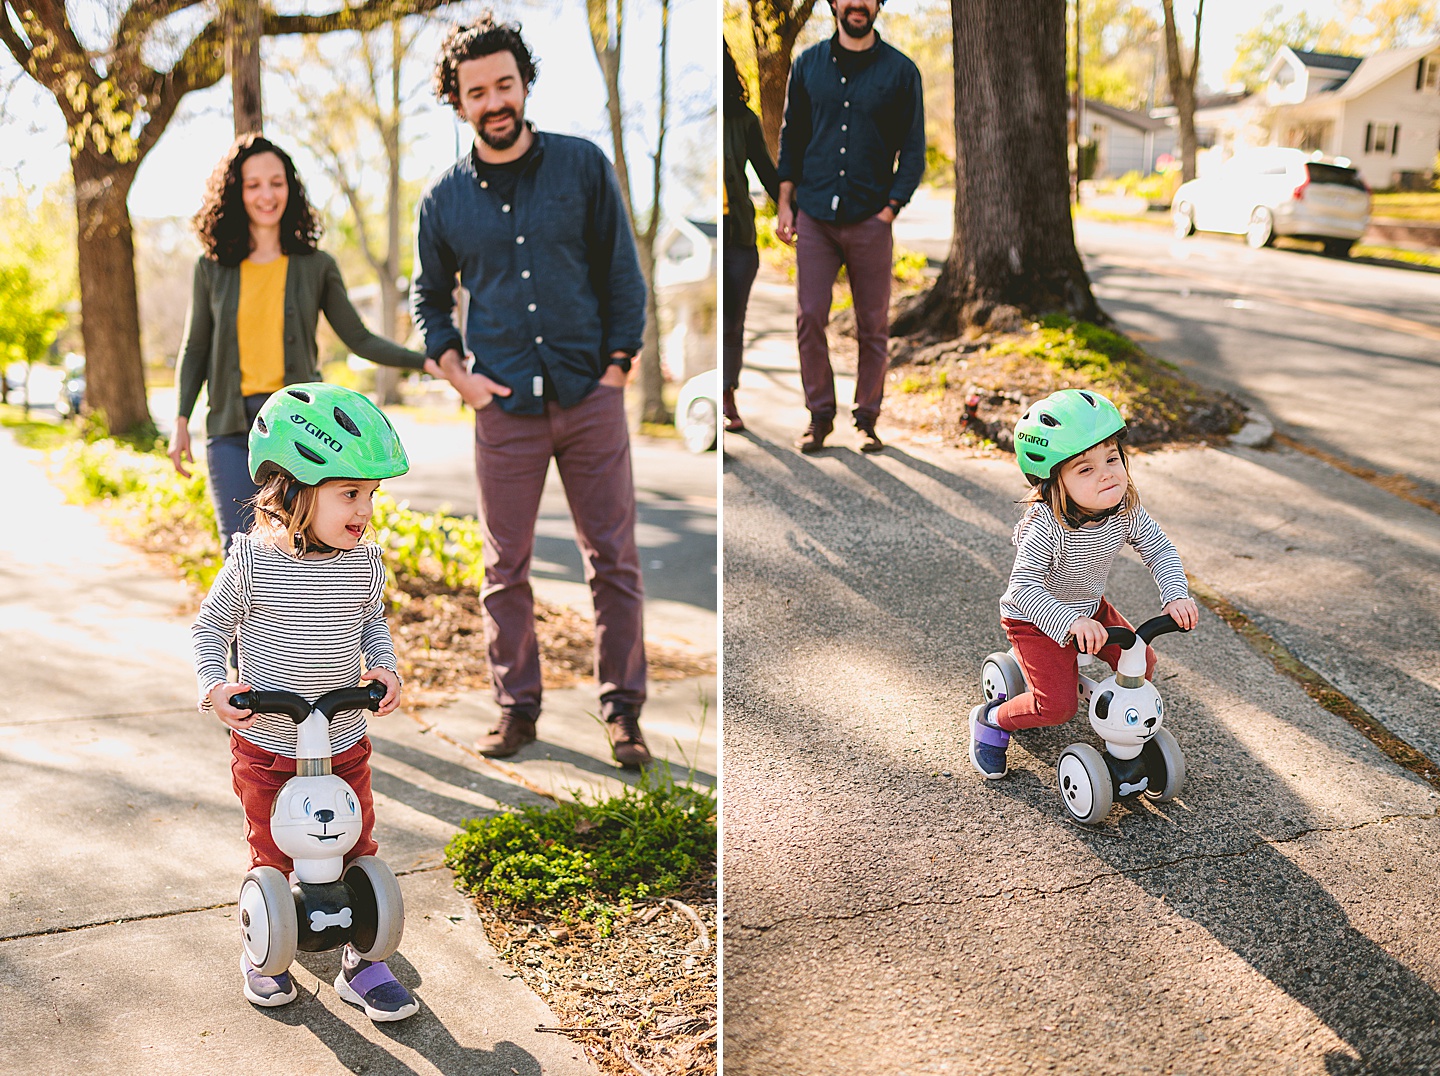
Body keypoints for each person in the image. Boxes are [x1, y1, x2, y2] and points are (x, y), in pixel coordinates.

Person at [412, 17, 651, 767]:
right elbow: (428, 301)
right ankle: (517, 710)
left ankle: (624, 714)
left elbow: (621, 272)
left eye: (504, 84)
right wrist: (459, 375)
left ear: (525, 84)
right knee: (503, 567)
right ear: (457, 102)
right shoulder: (442, 200)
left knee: (612, 560)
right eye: (476, 91)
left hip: (589, 394)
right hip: (503, 408)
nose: (494, 101)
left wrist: (617, 365)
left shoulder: (583, 166)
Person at [191, 383, 419, 1019]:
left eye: (370, 495)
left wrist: (383, 667)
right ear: (290, 488)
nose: (364, 510)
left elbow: (372, 625)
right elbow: (211, 630)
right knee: (274, 847)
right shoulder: (252, 563)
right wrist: (217, 684)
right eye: (350, 493)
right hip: (268, 745)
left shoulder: (362, 561)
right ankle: (266, 944)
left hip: (344, 738)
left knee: (355, 844)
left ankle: (363, 962)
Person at [170, 134, 428, 558]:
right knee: (241, 554)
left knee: (305, 550)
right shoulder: (212, 268)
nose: (266, 194)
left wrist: (426, 362)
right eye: (253, 185)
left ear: (290, 187)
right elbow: (195, 348)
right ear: (236, 193)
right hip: (232, 431)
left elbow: (359, 338)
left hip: (303, 431)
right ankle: (238, 629)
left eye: (276, 182)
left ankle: (312, 626)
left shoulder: (316, 265)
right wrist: (181, 420)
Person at [969, 389, 1200, 780]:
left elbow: (1159, 548)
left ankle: (1109, 711)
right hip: (1035, 620)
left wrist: (1175, 593)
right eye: (1085, 469)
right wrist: (1070, 624)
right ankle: (993, 720)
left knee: (1142, 662)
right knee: (1056, 708)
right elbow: (1022, 591)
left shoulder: (1124, 509)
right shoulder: (1046, 526)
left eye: (1111, 458)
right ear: (1054, 480)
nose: (1107, 473)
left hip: (1090, 608)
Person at [774, 0, 924, 454]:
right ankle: (819, 417)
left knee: (873, 324)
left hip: (870, 216)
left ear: (878, 5)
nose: (857, 3)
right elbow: (792, 135)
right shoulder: (807, 65)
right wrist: (785, 201)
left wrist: (891, 208)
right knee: (810, 316)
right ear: (834, 3)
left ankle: (866, 419)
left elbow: (913, 148)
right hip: (815, 214)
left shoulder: (901, 72)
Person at [722, 40, 779, 435]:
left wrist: (799, 213)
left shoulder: (743, 120)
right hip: (713, 237)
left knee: (732, 323)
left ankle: (727, 393)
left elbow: (768, 174)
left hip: (739, 237)